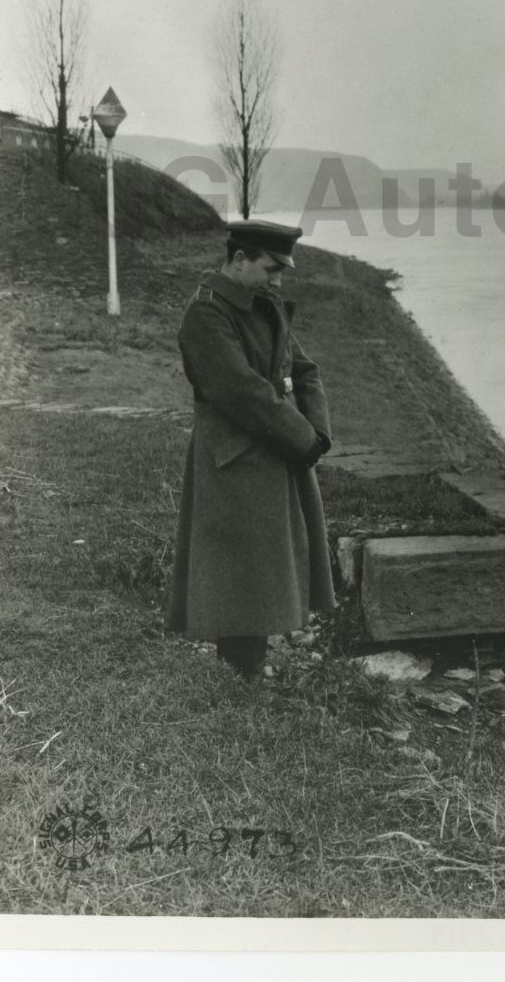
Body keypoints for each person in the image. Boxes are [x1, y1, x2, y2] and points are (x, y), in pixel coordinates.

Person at [165, 219, 336, 678]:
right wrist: (301, 440)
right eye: (271, 267)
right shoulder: (205, 314)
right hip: (235, 462)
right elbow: (242, 392)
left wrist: (316, 434)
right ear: (239, 260)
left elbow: (305, 371)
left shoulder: (265, 304)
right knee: (240, 574)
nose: (278, 278)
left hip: (276, 449)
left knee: (264, 570)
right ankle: (239, 677)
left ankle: (247, 674)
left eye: (282, 269)